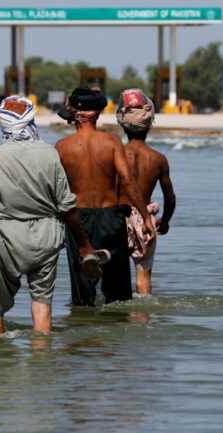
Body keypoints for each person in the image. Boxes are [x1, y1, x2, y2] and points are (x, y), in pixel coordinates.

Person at [0, 95, 100, 336]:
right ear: (30, 121)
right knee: (42, 303)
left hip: (9, 237)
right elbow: (66, 205)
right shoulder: (50, 154)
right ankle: (41, 362)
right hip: (48, 236)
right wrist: (84, 246)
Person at [55, 88, 156, 307]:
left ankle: (84, 334)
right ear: (99, 113)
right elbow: (128, 181)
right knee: (118, 294)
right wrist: (146, 217)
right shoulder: (111, 143)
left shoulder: (61, 147)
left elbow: (56, 191)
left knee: (83, 294)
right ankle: (116, 337)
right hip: (111, 219)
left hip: (78, 220)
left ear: (74, 113)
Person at [116, 89, 176, 296]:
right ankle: (143, 321)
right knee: (143, 279)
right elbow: (170, 197)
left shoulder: (116, 153)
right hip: (145, 220)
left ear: (122, 122)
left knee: (112, 276)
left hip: (117, 217)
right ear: (150, 123)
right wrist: (165, 220)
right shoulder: (158, 158)